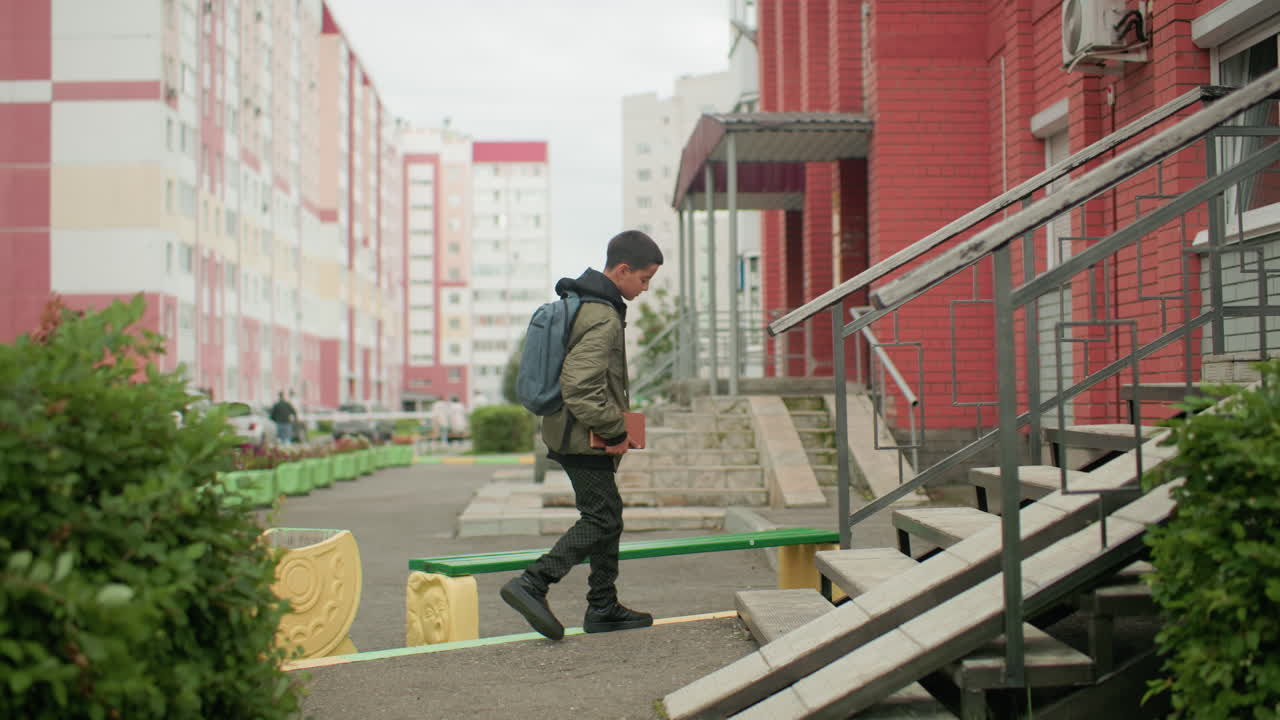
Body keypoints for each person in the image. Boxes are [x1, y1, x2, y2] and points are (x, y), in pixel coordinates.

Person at [500, 230, 662, 640]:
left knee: (608, 516)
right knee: (602, 517)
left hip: (573, 432)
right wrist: (617, 427)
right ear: (622, 270)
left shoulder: (589, 306)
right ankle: (534, 582)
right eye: (644, 279)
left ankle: (603, 606)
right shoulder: (603, 316)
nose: (644, 290)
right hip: (582, 436)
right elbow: (580, 387)